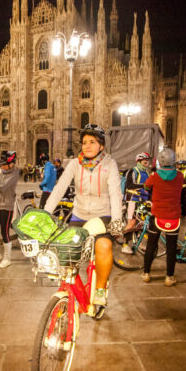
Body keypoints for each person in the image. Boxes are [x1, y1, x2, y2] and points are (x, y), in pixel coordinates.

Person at [44, 124, 123, 312]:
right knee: (67, 254)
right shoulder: (74, 163)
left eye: (92, 142)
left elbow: (115, 193)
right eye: (85, 142)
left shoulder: (109, 164)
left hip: (102, 215)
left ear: (101, 146)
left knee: (103, 246)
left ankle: (101, 289)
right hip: (79, 215)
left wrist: (117, 220)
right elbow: (59, 189)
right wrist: (46, 213)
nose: (87, 146)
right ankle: (69, 291)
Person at [142, 148, 184, 285]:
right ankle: (169, 277)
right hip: (173, 216)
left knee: (151, 245)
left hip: (157, 215)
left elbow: (146, 187)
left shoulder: (154, 176)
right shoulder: (180, 176)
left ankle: (146, 273)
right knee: (171, 248)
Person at [122, 152, 151, 243]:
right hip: (132, 200)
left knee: (141, 224)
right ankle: (125, 245)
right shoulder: (133, 171)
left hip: (143, 200)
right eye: (144, 161)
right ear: (139, 161)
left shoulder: (147, 173)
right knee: (131, 223)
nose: (147, 163)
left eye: (147, 161)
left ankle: (138, 243)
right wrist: (145, 186)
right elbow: (130, 185)